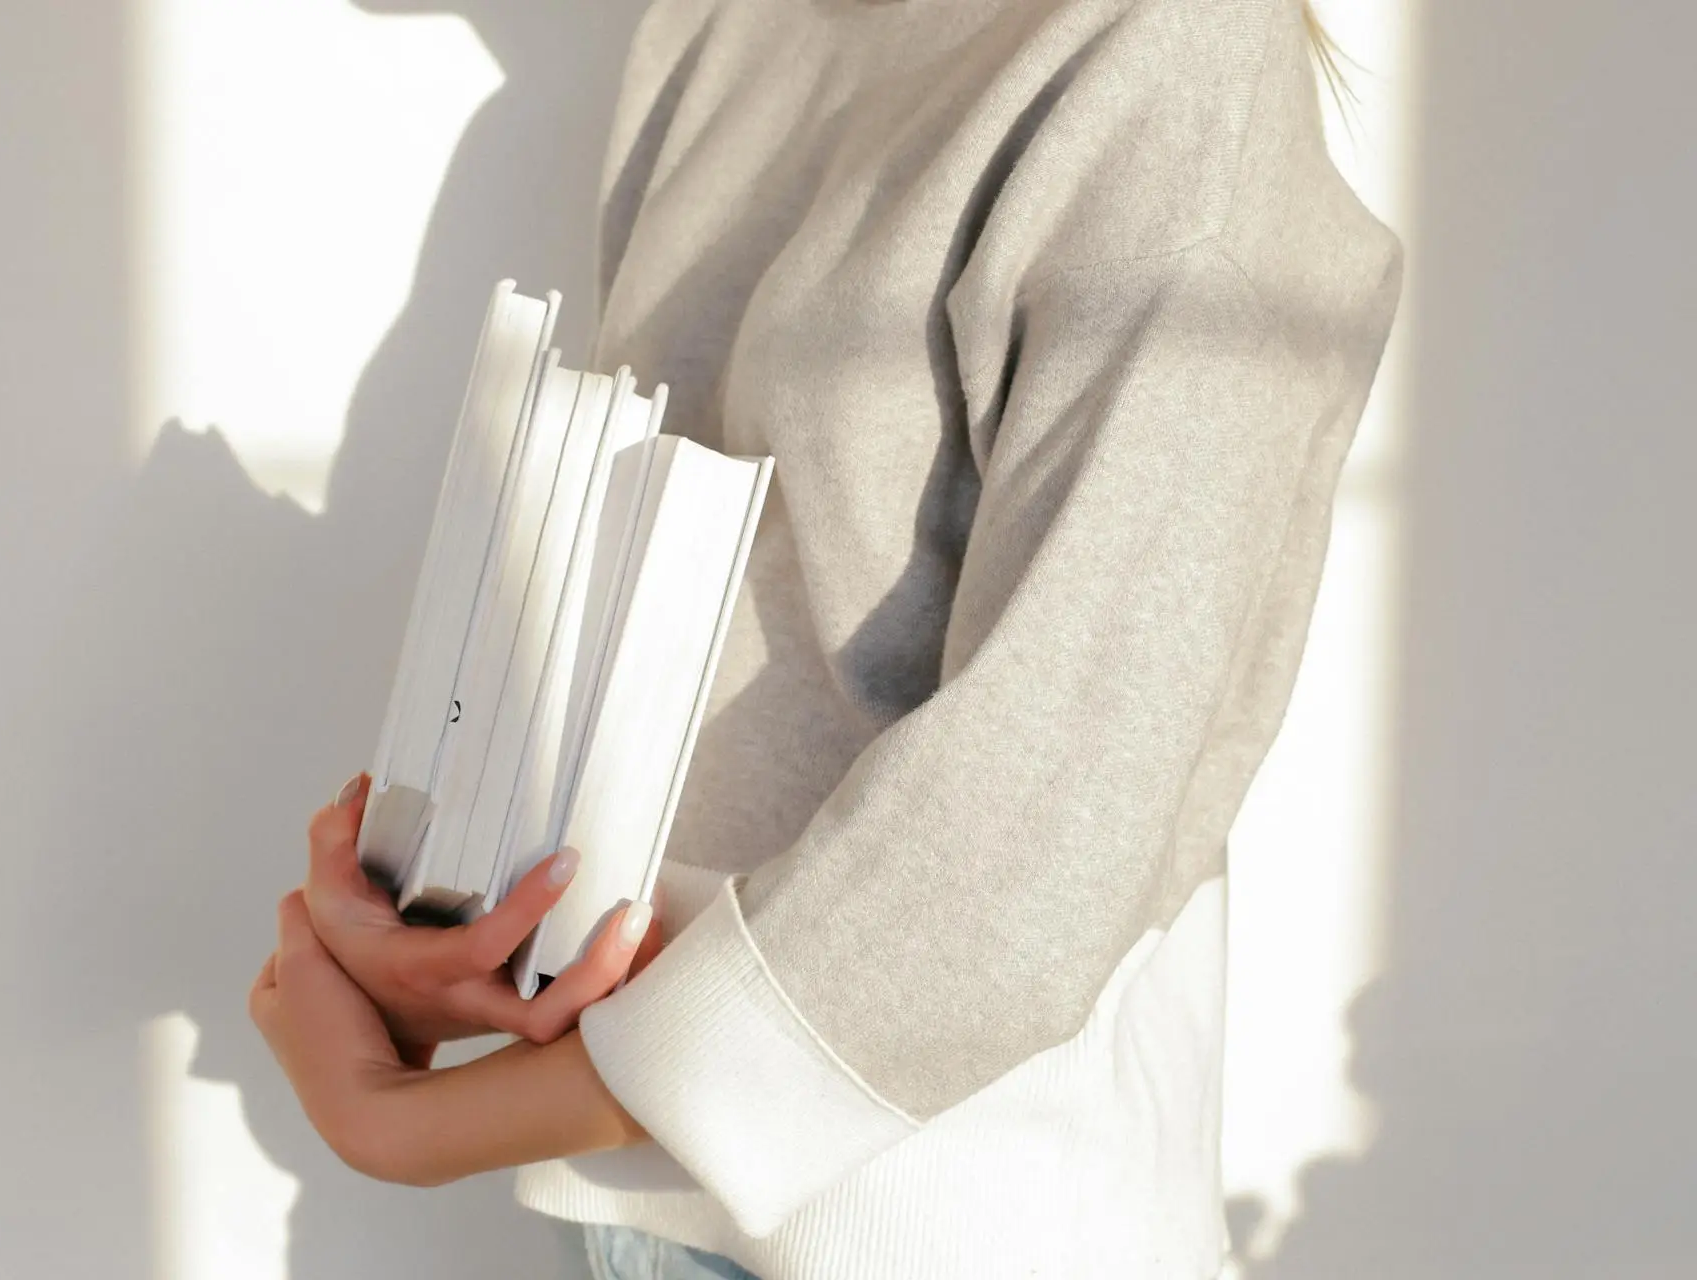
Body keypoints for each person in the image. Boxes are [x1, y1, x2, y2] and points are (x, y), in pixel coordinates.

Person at [248, 0, 1403, 1275]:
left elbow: (1044, 835)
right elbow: (685, 625)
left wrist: (409, 1124)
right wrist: (438, 922)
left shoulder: (1173, 59)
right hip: (631, 1200)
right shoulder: (722, 25)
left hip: (947, 1223)